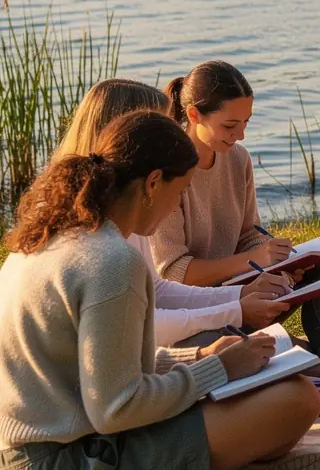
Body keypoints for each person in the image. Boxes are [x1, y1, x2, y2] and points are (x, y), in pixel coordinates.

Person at [0, 111, 320, 470]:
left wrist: (201, 357)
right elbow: (116, 408)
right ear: (153, 183)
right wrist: (217, 371)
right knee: (295, 400)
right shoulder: (111, 261)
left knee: (265, 408)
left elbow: (100, 366)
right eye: (181, 192)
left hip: (27, 467)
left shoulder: (47, 240)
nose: (177, 206)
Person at [147, 61, 320, 389]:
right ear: (194, 115)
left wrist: (281, 260)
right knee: (211, 346)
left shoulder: (238, 158)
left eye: (245, 123)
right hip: (200, 312)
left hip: (246, 291)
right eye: (230, 125)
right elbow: (174, 273)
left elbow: (248, 234)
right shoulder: (168, 174)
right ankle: (319, 355)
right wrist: (251, 265)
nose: (240, 135)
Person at [56, 78, 288, 346]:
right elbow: (140, 327)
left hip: (129, 351)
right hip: (108, 359)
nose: (172, 141)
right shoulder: (92, 238)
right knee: (224, 340)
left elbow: (156, 290)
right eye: (161, 131)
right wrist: (235, 310)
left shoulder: (126, 210)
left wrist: (241, 295)